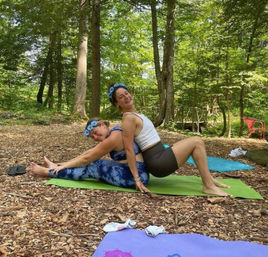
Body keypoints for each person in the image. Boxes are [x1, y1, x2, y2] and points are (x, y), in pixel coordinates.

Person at [107, 83, 230, 196]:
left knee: (195, 141)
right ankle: (208, 186)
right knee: (196, 141)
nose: (126, 97)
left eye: (126, 93)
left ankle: (209, 179)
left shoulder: (135, 115)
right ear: (117, 103)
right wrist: (137, 179)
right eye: (121, 97)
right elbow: (129, 149)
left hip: (160, 154)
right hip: (157, 162)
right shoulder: (128, 119)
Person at [28, 118, 149, 189]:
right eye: (93, 136)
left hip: (136, 177)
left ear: (102, 124)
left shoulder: (114, 137)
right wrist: (61, 164)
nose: (95, 137)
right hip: (131, 170)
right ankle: (55, 168)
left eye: (95, 132)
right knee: (96, 163)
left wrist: (64, 166)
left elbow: (87, 159)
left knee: (94, 168)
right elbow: (89, 152)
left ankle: (47, 172)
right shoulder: (113, 133)